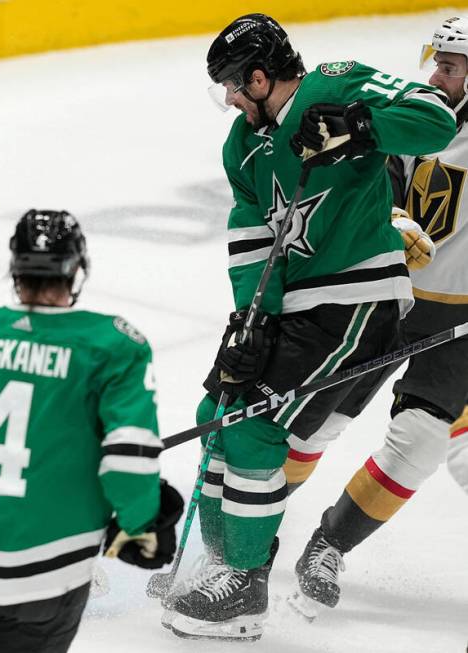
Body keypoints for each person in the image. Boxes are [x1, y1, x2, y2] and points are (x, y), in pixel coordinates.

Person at [166, 13, 457, 642]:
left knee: (251, 429)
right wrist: (251, 319)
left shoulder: (336, 84)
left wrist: (361, 126)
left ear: (262, 76)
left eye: (235, 88)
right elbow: (251, 239)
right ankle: (221, 564)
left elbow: (435, 120)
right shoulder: (241, 145)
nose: (231, 102)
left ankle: (244, 583)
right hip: (292, 308)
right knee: (217, 410)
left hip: (356, 303)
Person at [0, 209, 182, 653]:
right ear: (77, 271)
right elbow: (128, 460)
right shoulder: (116, 345)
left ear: (14, 269)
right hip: (53, 574)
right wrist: (140, 521)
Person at [282, 16, 468, 614]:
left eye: (451, 65)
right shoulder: (418, 112)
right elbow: (375, 180)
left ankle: (329, 544)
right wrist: (389, 218)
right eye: (436, 59)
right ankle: (242, 538)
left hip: (454, 323)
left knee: (420, 441)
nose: (436, 73)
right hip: (384, 293)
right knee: (312, 422)